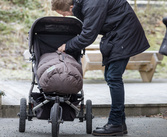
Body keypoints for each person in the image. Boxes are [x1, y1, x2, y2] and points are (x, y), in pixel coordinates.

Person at [51, 0, 150, 136]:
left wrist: (67, 46)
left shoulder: (92, 4)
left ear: (72, 7)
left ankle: (115, 123)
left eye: (64, 14)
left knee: (113, 77)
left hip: (124, 34)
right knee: (110, 76)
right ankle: (120, 123)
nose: (64, 16)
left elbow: (88, 35)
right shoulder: (87, 4)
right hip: (118, 34)